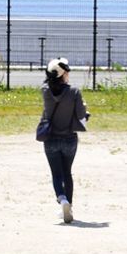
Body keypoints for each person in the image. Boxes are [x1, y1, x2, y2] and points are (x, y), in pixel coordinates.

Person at [40, 57, 90, 223]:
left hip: (51, 139)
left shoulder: (45, 90)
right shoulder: (74, 92)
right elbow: (81, 115)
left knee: (56, 173)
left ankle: (62, 200)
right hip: (69, 139)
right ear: (62, 74)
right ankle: (69, 205)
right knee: (67, 172)